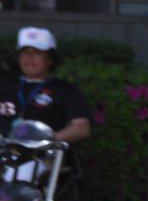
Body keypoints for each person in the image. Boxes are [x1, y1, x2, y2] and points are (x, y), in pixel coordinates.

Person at [0, 26, 91, 184]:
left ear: (50, 59)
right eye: (25, 52)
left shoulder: (64, 89)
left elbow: (81, 127)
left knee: (15, 175)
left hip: (38, 155)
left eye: (37, 52)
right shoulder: (4, 84)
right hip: (3, 147)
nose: (29, 57)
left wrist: (44, 141)